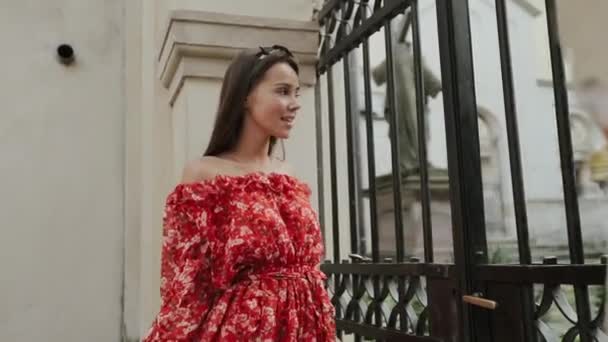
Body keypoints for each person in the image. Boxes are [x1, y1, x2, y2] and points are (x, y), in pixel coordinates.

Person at [143, 45, 336, 341]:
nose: (295, 103)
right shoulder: (204, 174)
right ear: (245, 96)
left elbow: (310, 268)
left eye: (296, 93)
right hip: (245, 331)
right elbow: (186, 282)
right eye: (283, 91)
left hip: (305, 327)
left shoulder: (289, 175)